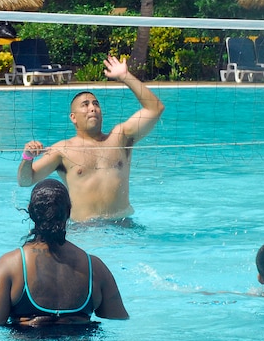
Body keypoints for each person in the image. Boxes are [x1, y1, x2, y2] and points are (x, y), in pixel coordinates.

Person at [0, 179, 129, 326]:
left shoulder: (11, 264)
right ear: (68, 212)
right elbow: (119, 318)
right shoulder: (95, 267)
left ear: (30, 212)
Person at [17, 56, 164, 221]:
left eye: (96, 104)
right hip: (85, 232)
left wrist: (125, 76)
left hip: (124, 227)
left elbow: (155, 108)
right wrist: (27, 157)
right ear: (73, 117)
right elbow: (25, 180)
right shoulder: (62, 150)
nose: (92, 108)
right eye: (85, 105)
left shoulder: (120, 138)